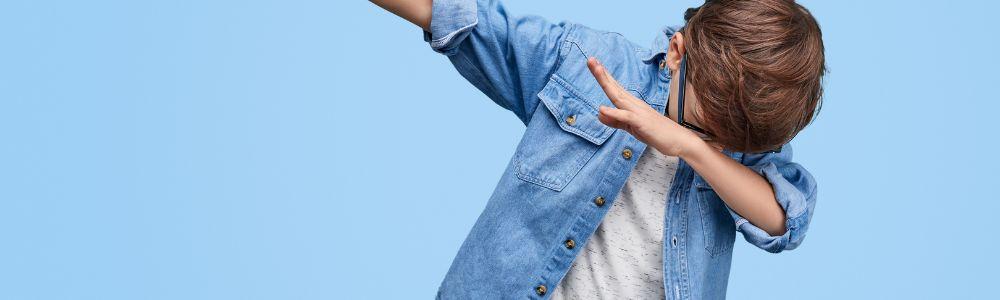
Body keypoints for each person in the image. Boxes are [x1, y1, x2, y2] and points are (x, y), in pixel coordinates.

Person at [369, 0, 825, 298]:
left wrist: (689, 144)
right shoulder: (588, 60)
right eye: (703, 125)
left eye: (731, 143)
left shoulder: (745, 136)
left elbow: (787, 219)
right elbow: (463, 18)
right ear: (677, 52)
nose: (718, 142)